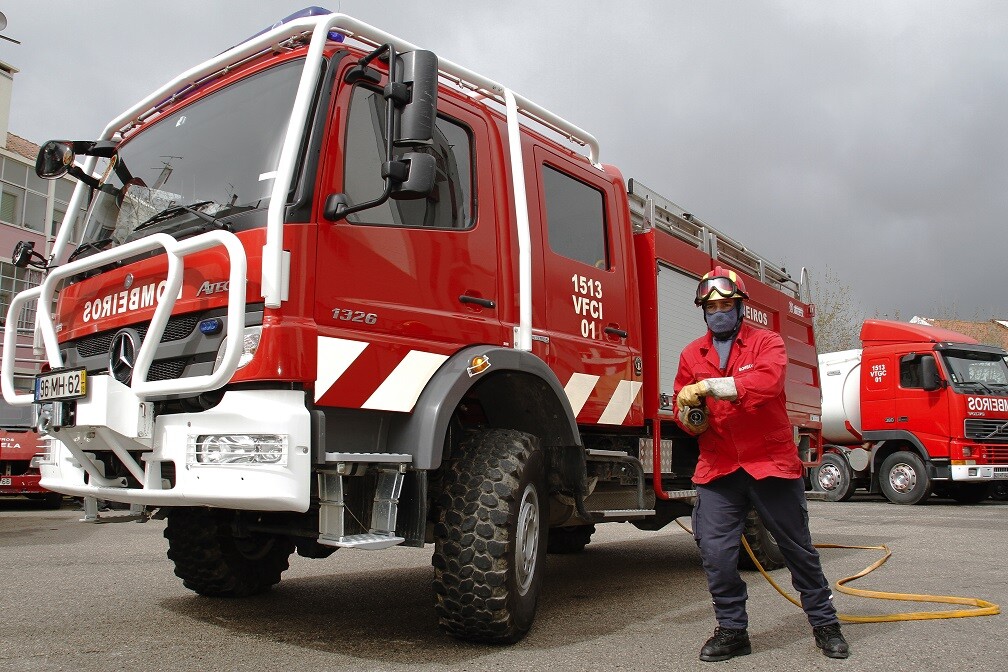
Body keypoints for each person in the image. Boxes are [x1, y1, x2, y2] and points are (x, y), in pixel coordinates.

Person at [673, 266, 849, 662]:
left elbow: (767, 383)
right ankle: (733, 631)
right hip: (719, 468)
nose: (718, 311)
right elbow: (687, 414)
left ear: (739, 308)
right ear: (704, 311)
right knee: (716, 555)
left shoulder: (767, 343)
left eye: (725, 305)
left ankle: (825, 624)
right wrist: (688, 413)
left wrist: (711, 387)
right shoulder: (691, 354)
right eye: (711, 306)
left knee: (798, 549)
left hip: (768, 463)